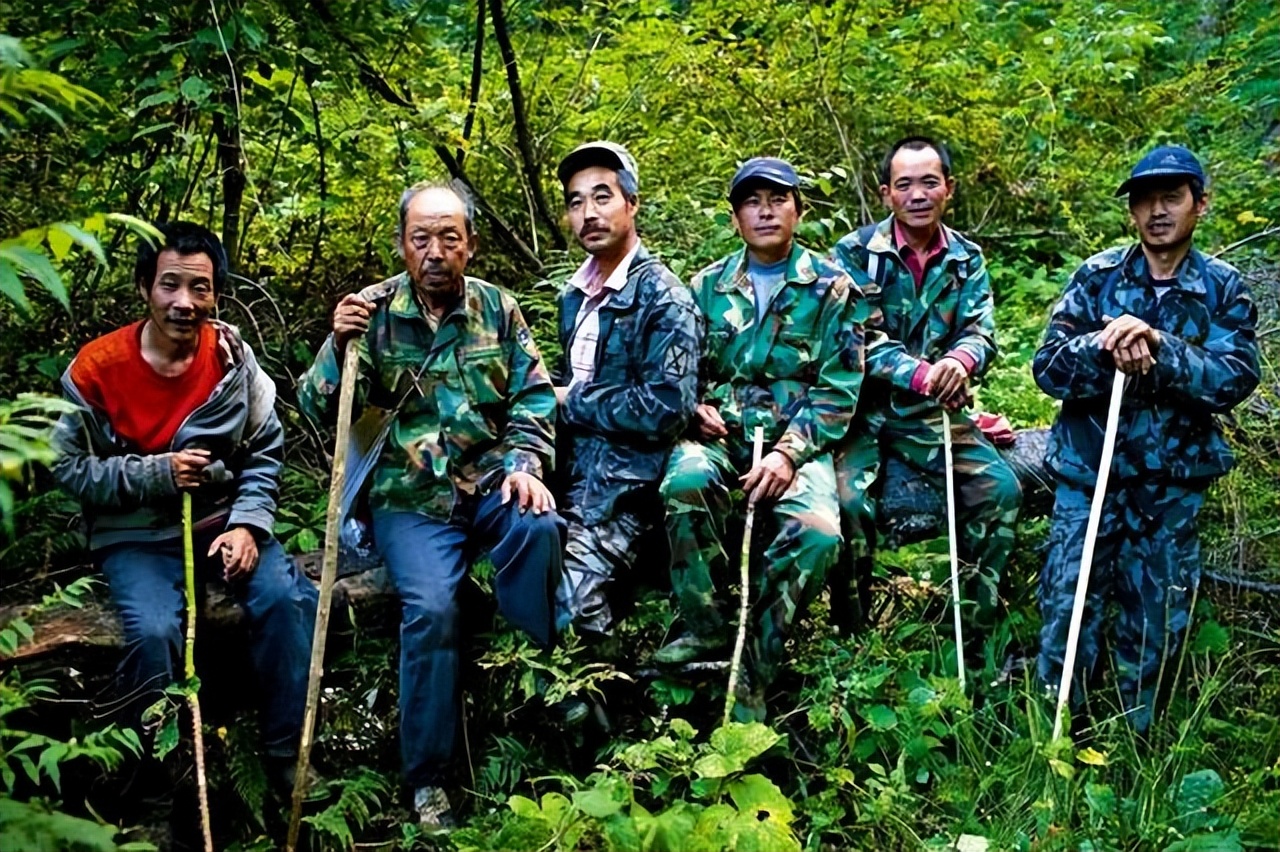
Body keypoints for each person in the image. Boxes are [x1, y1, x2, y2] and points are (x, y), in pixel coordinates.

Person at [298, 181, 563, 830]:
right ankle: (428, 780)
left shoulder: (498, 308)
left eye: (449, 237)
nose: (435, 252)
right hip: (410, 495)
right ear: (402, 244)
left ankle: (539, 695)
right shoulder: (373, 312)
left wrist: (527, 465)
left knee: (540, 527)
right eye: (421, 238)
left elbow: (534, 398)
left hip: (491, 479)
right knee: (433, 607)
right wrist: (337, 345)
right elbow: (316, 407)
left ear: (471, 244)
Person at [51, 222, 317, 792]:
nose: (184, 302)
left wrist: (248, 525)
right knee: (151, 632)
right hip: (136, 534)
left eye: (200, 288)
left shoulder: (232, 358)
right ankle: (154, 778)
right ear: (145, 287)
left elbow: (265, 448)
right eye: (169, 284)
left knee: (286, 597)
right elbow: (68, 468)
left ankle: (286, 755)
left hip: (220, 519)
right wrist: (156, 473)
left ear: (216, 294)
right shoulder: (96, 369)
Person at [1033, 145, 1259, 731]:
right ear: (1131, 211)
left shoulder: (1222, 288)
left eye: (1172, 197)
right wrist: (1101, 345)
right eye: (1145, 200)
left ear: (1199, 205)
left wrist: (1162, 349)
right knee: (1068, 604)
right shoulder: (1098, 277)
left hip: (1171, 484)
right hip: (1090, 477)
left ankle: (1138, 745)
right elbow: (1048, 368)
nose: (1157, 211)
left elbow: (1234, 378)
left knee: (1157, 616)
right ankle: (1052, 738)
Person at [657, 157, 864, 720]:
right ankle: (705, 627)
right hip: (721, 433)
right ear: (735, 217)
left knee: (817, 533)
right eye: (752, 201)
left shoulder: (833, 288)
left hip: (799, 440)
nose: (765, 211)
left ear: (799, 209)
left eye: (777, 199)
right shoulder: (705, 286)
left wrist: (788, 453)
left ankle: (755, 664)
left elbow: (839, 389)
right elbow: (681, 369)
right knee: (685, 482)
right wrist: (692, 407)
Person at [830, 135, 1021, 632]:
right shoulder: (853, 253)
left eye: (929, 183)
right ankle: (851, 635)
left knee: (999, 488)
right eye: (905, 184)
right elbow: (857, 339)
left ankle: (972, 628)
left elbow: (981, 332)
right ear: (886, 193)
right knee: (848, 504)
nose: (917, 195)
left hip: (929, 414)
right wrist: (925, 374)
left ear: (948, 188)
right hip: (858, 410)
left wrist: (960, 361)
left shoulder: (965, 257)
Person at [551, 141, 702, 636]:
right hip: (570, 473)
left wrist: (571, 400)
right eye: (576, 202)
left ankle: (612, 681)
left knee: (568, 609)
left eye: (603, 197)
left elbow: (666, 409)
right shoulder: (574, 297)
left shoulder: (664, 298)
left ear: (631, 204)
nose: (589, 213)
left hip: (627, 487)